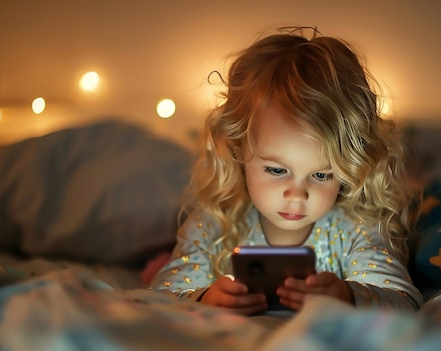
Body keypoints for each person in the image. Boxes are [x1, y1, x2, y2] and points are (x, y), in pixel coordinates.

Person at [150, 26, 423, 315]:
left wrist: (347, 296)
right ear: (237, 150)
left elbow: (403, 301)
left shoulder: (356, 227)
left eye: (321, 175)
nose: (296, 195)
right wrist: (205, 299)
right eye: (277, 170)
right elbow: (158, 299)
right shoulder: (213, 222)